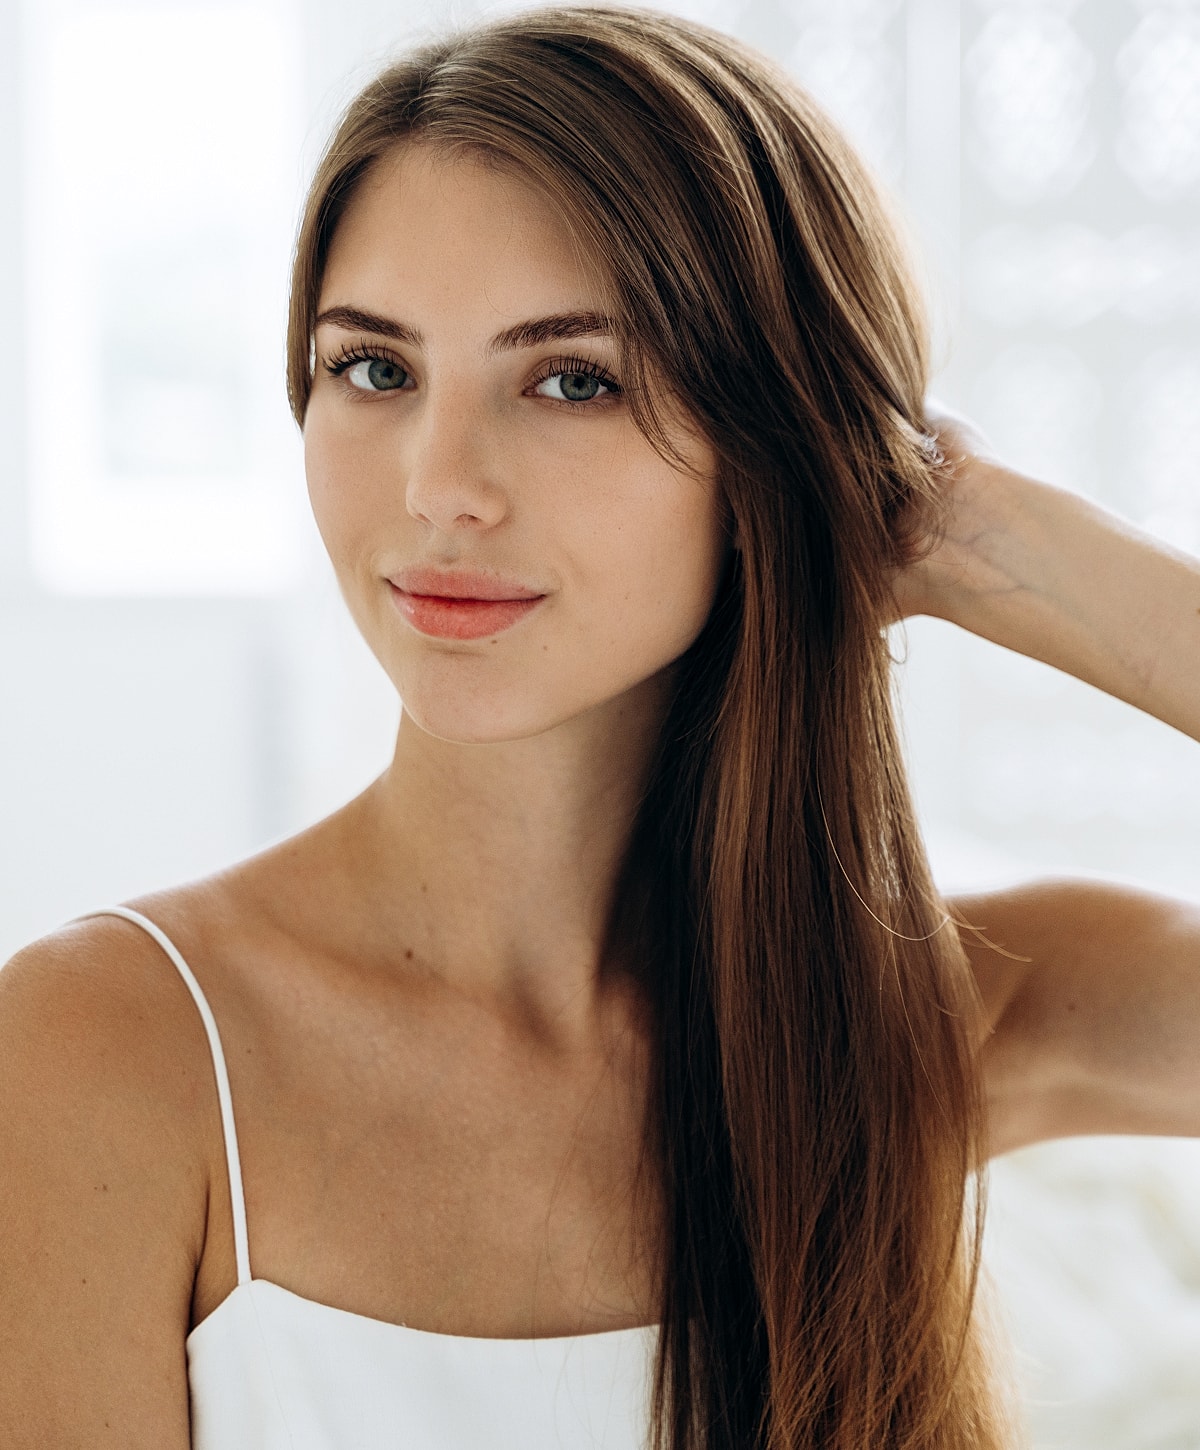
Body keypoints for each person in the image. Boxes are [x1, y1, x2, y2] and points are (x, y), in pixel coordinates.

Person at [1, 4, 1197, 1447]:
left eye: (572, 378)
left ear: (775, 442)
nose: (442, 485)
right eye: (373, 368)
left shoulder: (929, 1018)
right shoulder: (103, 1053)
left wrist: (986, 537)